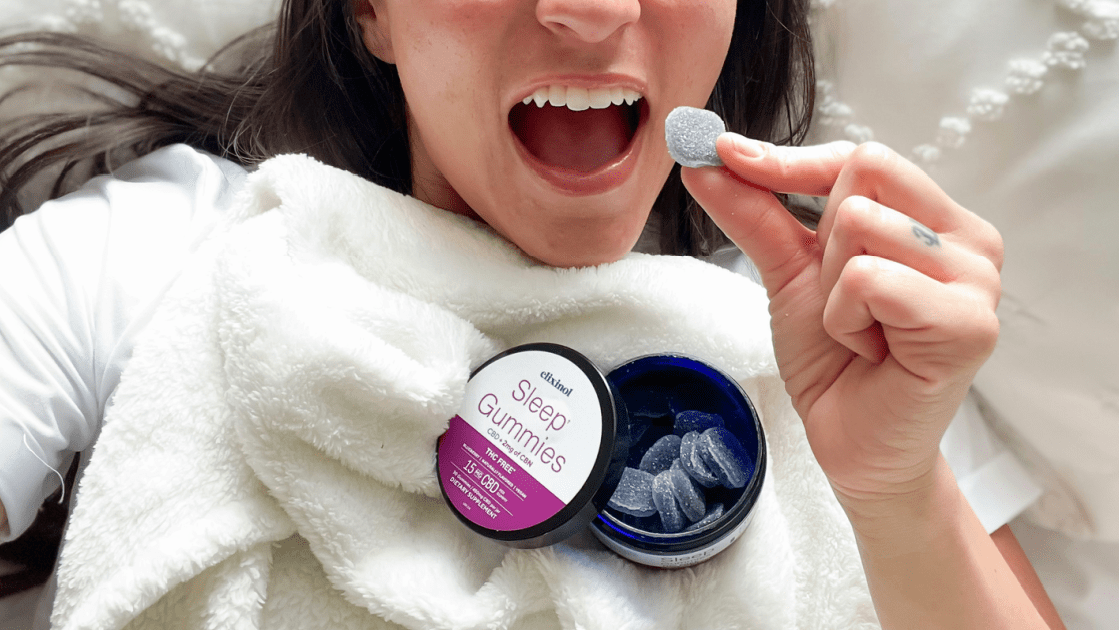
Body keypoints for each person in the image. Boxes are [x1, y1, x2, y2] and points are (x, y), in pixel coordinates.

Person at [0, 0, 1063, 627]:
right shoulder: (161, 259)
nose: (591, 10)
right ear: (368, 8)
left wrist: (895, 494)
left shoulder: (833, 336)